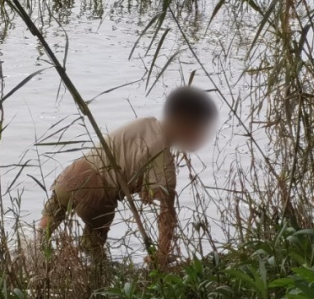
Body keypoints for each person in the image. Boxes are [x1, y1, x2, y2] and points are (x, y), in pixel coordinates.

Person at [38, 86, 217, 267]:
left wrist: (145, 188)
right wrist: (162, 254)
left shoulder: (146, 122)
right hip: (97, 193)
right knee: (93, 249)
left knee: (46, 228)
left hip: (71, 176)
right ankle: (96, 274)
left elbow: (131, 159)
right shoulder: (162, 156)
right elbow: (167, 213)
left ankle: (35, 256)